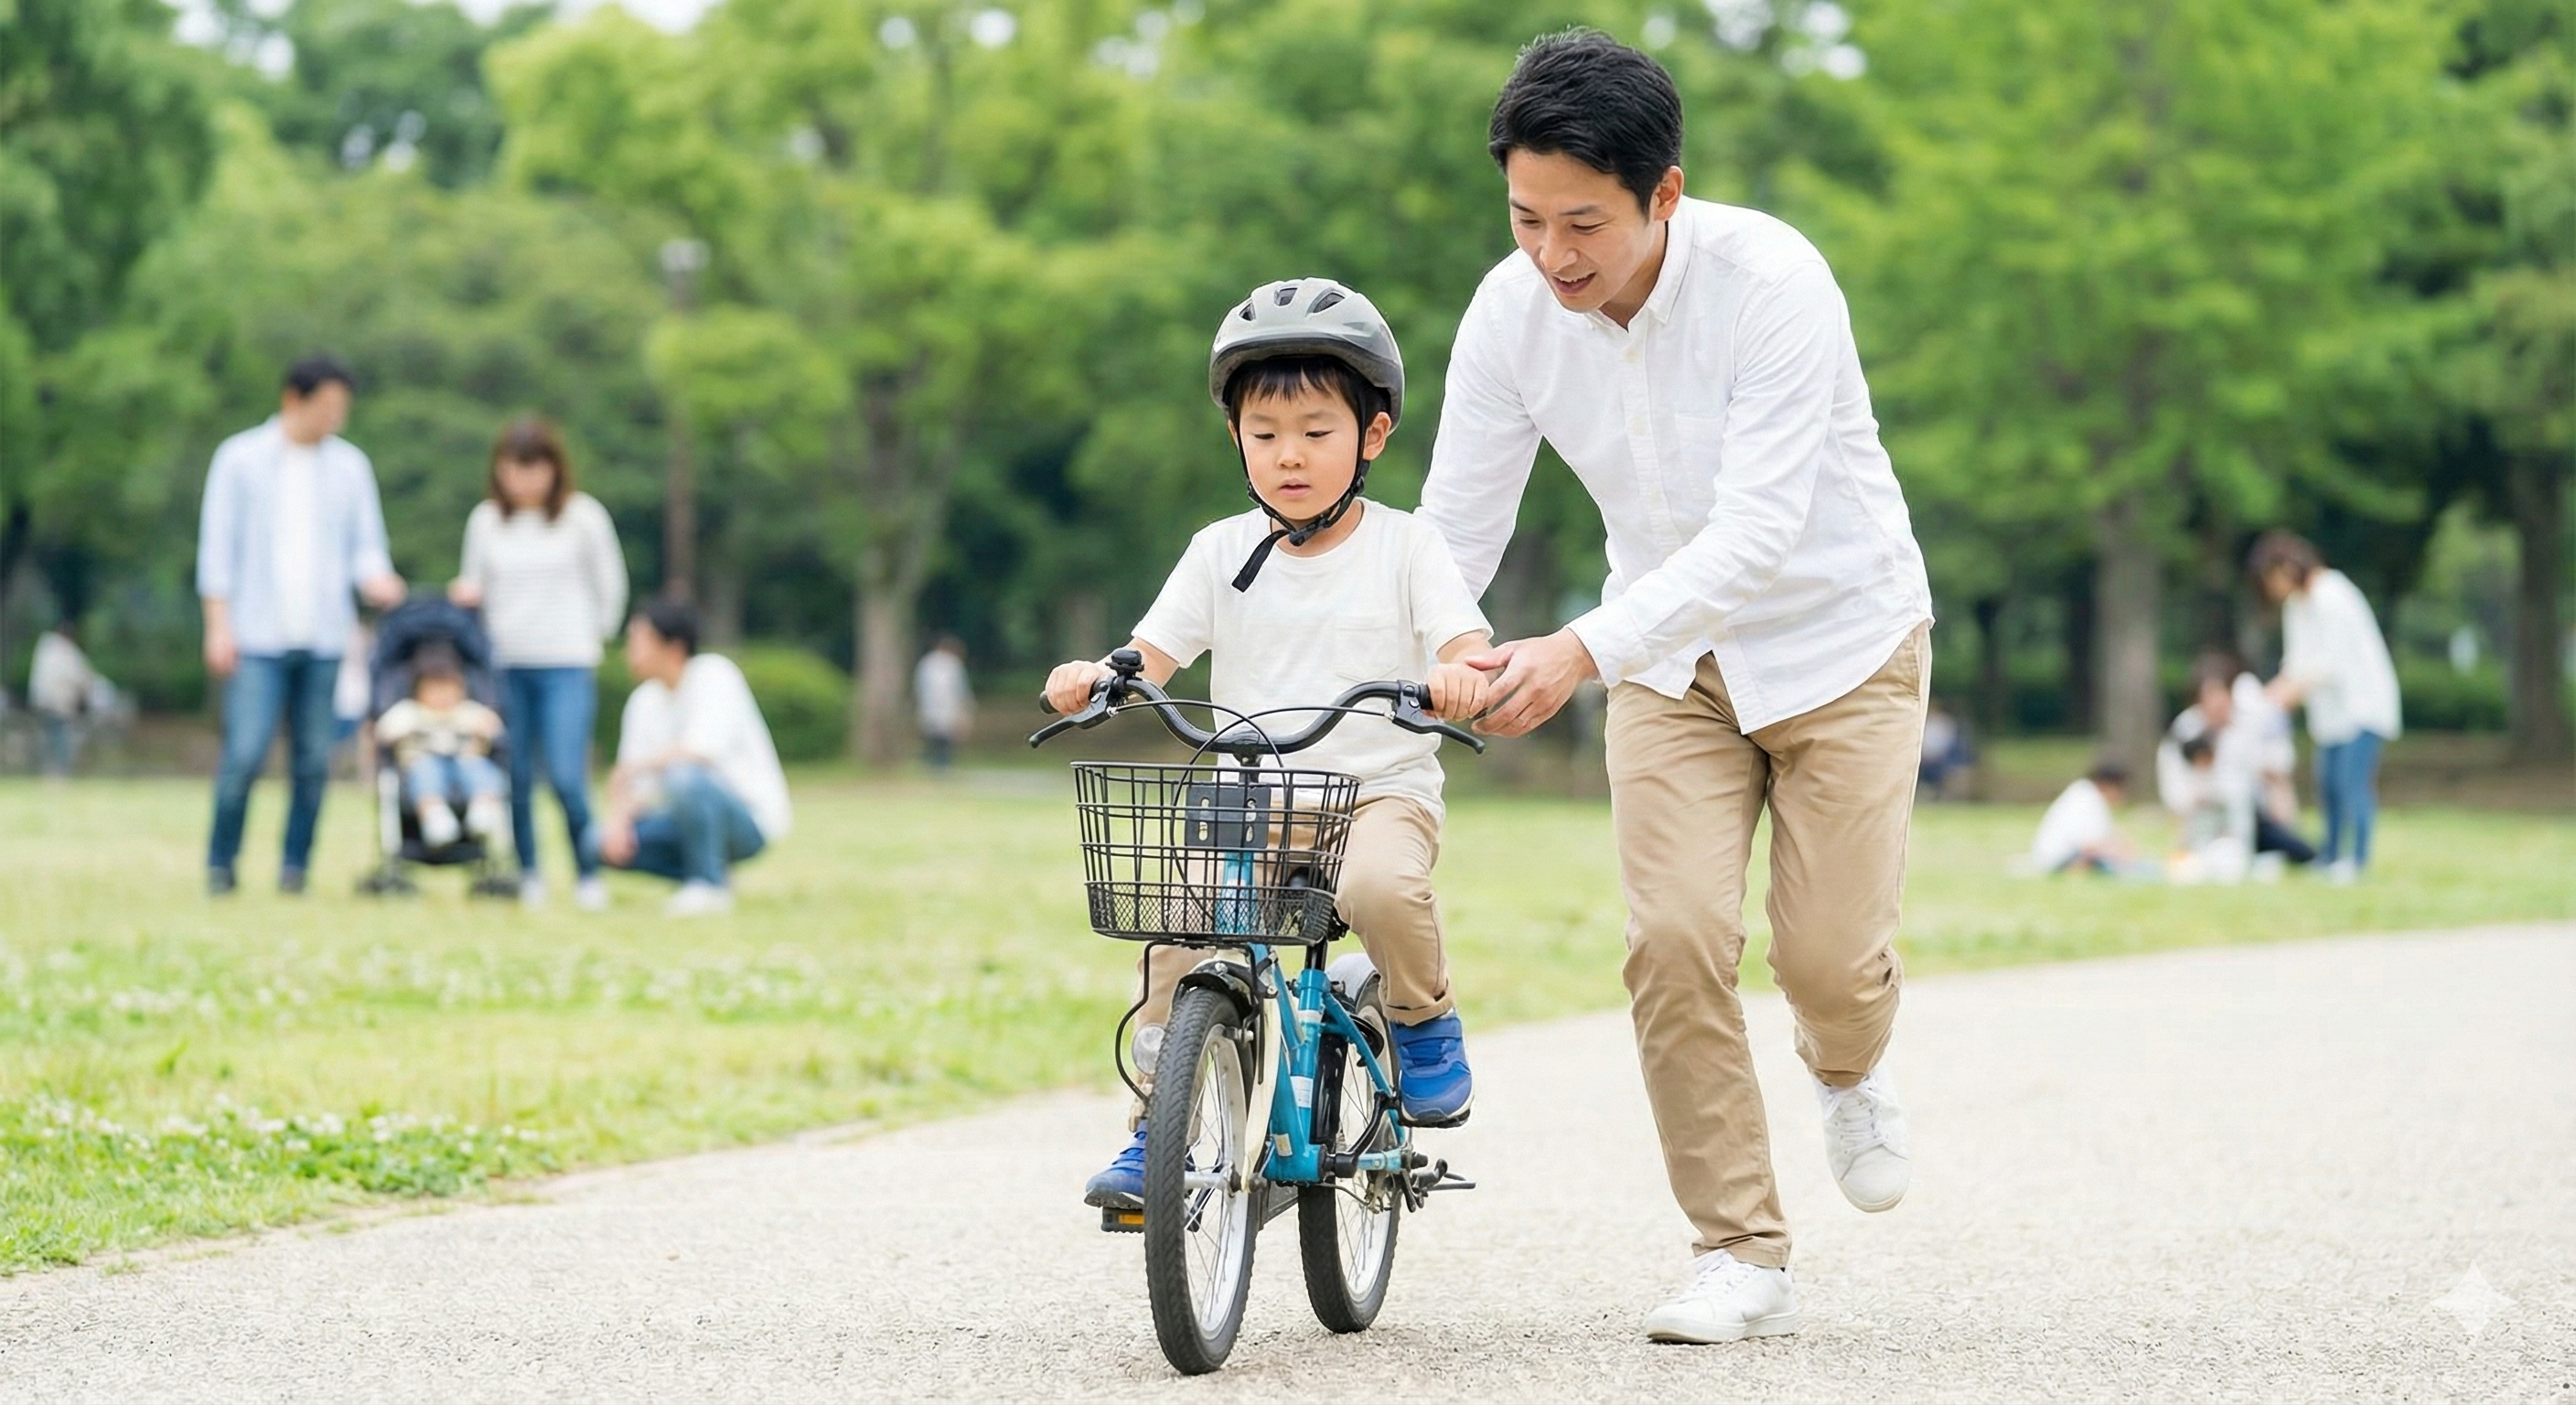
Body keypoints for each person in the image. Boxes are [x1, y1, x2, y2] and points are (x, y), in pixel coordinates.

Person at [1414, 32, 1932, 1344]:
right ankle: (1738, 1250)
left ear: (1665, 194)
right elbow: (1456, 528)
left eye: (1582, 222)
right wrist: (1434, 641)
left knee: (1823, 961)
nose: (1552, 254)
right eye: (1526, 218)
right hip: (1669, 670)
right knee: (1674, 941)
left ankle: (1849, 1063)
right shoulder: (1511, 310)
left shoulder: (1776, 282)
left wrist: (1570, 651)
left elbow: (1758, 532)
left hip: (1843, 646)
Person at [1042, 277, 1495, 1213]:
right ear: (1236, 439)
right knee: (1180, 921)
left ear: (1370, 436)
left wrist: (1461, 671)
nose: (1289, 456)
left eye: (1316, 433)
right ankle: (1155, 1131)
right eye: (1265, 435)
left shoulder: (1409, 549)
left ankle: (1419, 1015)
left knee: (1377, 888)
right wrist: (1100, 676)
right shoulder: (1218, 550)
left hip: (1375, 793)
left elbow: (1463, 641)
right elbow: (1152, 652)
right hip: (1254, 796)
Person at [197, 354, 404, 896]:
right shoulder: (240, 459)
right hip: (256, 634)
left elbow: (366, 548)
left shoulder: (350, 467)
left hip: (325, 636)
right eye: (326, 406)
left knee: (313, 762)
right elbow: (217, 551)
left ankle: (295, 869)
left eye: (342, 408)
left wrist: (379, 581)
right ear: (293, 399)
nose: (334, 418)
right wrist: (218, 626)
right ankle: (222, 865)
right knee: (244, 754)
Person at [447, 417, 628, 911]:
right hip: (507, 662)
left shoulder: (582, 517)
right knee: (516, 777)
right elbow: (474, 585)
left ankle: (588, 871)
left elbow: (609, 584)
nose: (525, 481)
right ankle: (529, 872)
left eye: (535, 469)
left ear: (554, 469)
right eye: (514, 469)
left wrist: (596, 636)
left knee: (568, 776)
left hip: (566, 660)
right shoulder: (486, 521)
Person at [598, 600, 789, 917]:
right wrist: (618, 821)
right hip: (682, 820)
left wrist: (633, 769)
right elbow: (637, 790)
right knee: (596, 844)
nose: (628, 653)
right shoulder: (643, 701)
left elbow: (700, 752)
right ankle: (705, 874)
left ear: (673, 648)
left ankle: (709, 885)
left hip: (747, 820)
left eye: (639, 642)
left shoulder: (715, 674)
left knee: (684, 776)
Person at [2249, 531, 2401, 884]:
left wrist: (2292, 691)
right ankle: (2331, 856)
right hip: (2330, 715)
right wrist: (2271, 694)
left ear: (2287, 567)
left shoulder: (2333, 594)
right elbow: (2298, 661)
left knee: (2352, 785)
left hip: (2361, 707)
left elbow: (2331, 662)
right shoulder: (2297, 606)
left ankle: (2357, 860)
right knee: (2328, 785)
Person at [2155, 652, 2315, 881]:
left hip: (2249, 816)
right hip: (2200, 813)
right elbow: (2173, 782)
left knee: (2300, 851)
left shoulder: (2247, 727)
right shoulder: (2185, 730)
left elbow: (2275, 776)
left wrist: (2284, 818)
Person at [375, 644, 507, 851]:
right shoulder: (411, 712)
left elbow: (495, 729)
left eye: (449, 690)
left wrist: (484, 727)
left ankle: (482, 809)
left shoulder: (467, 711)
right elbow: (384, 730)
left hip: (465, 764)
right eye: (434, 690)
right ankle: (435, 816)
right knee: (425, 771)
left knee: (480, 768)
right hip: (424, 766)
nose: (442, 697)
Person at [2030, 761, 2136, 874]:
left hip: (2052, 857)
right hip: (2059, 860)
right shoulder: (2090, 800)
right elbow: (2089, 846)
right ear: (2109, 785)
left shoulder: (2085, 793)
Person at [28, 621, 97, 778]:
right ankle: (60, 771)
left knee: (49, 736)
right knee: (61, 737)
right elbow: (82, 677)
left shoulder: (45, 648)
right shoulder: (68, 652)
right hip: (60, 704)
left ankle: (48, 770)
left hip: (42, 701)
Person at [914, 635, 973, 770]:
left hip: (930, 707)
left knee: (935, 737)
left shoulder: (926, 663)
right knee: (944, 738)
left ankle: (934, 764)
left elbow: (920, 687)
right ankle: (941, 765)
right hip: (947, 707)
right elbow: (960, 689)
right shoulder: (952, 665)